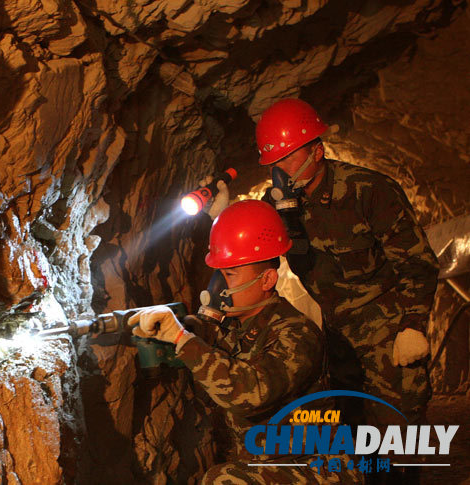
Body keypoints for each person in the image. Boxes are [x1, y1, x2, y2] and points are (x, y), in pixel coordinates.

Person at [131, 200, 352, 484]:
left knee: (222, 480)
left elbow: (249, 392)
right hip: (271, 465)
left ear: (267, 280)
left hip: (318, 468)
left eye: (230, 275)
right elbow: (210, 345)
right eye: (219, 274)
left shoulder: (297, 333)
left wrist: (180, 338)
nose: (220, 286)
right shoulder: (237, 325)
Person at [253, 97, 438, 434]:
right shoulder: (276, 206)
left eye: (288, 157)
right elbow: (253, 264)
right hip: (339, 341)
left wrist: (414, 326)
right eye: (273, 162)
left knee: (399, 436)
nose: (280, 170)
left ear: (317, 150)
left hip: (389, 334)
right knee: (352, 436)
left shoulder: (368, 191)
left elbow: (417, 263)